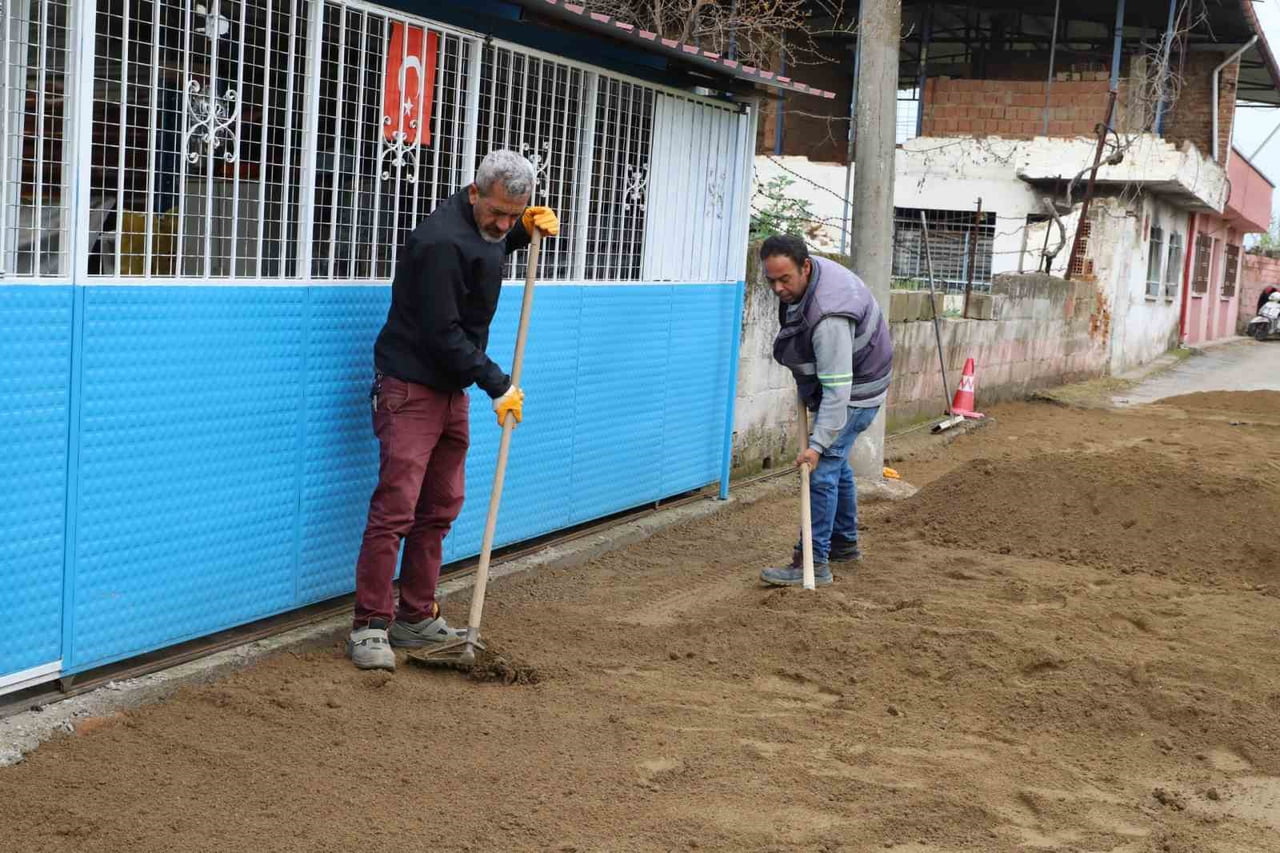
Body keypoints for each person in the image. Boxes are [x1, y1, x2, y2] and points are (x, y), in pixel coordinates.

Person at [348, 150, 559, 671]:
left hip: (449, 392)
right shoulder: (439, 241)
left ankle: (415, 616)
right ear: (473, 193)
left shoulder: (483, 231)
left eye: (516, 213)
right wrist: (498, 383)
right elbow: (442, 334)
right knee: (396, 509)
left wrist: (518, 235)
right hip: (410, 388)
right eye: (499, 213)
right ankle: (370, 625)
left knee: (440, 506)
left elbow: (484, 246)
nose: (504, 223)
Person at [758, 234, 893, 587]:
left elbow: (837, 392)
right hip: (859, 379)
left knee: (820, 470)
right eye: (771, 279)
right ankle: (844, 544)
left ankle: (813, 562)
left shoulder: (829, 317)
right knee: (837, 464)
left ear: (805, 267)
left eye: (784, 279)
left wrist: (815, 447)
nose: (777, 288)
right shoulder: (811, 277)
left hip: (855, 393)